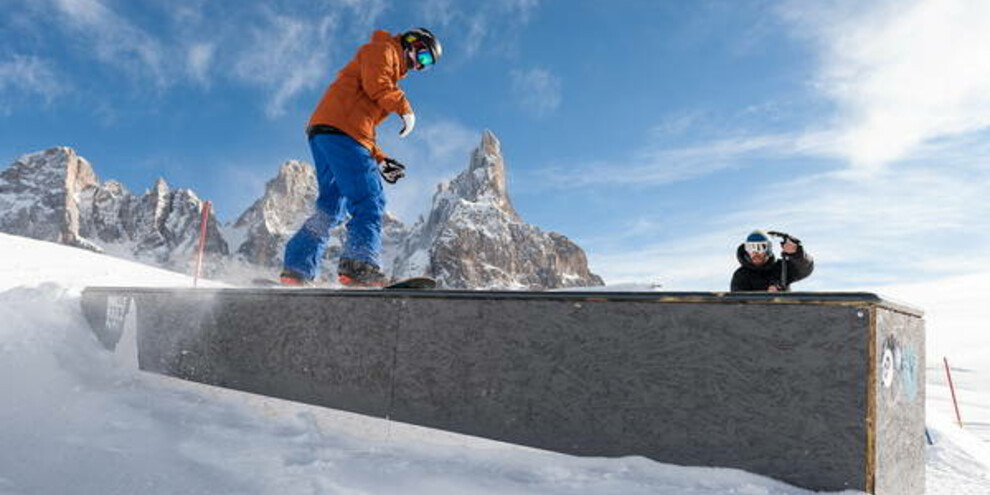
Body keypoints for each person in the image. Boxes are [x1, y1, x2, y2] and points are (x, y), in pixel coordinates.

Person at [280, 28, 442, 287]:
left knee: (330, 208)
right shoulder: (384, 51)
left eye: (426, 66)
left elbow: (363, 126)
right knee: (369, 199)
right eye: (422, 57)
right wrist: (404, 107)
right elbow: (377, 84)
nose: (419, 66)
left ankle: (296, 268)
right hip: (343, 132)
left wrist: (380, 159)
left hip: (329, 131)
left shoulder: (384, 64)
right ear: (411, 42)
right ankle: (359, 265)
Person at [730, 230, 814, 292]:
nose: (755, 252)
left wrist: (797, 255)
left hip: (783, 314)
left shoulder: (781, 268)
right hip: (754, 315)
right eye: (750, 248)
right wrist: (766, 297)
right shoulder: (741, 275)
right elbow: (739, 305)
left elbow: (805, 269)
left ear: (768, 249)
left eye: (760, 247)